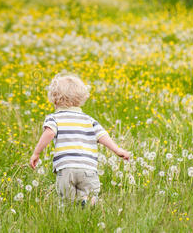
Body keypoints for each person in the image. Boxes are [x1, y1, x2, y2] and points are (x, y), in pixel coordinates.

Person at [29, 73, 130, 206]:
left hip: (66, 169)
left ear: (54, 100)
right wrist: (117, 150)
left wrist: (36, 152)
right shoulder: (89, 120)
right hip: (88, 168)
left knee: (67, 201)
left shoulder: (54, 118)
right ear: (81, 98)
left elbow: (49, 133)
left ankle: (73, 212)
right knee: (90, 196)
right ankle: (88, 205)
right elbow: (102, 136)